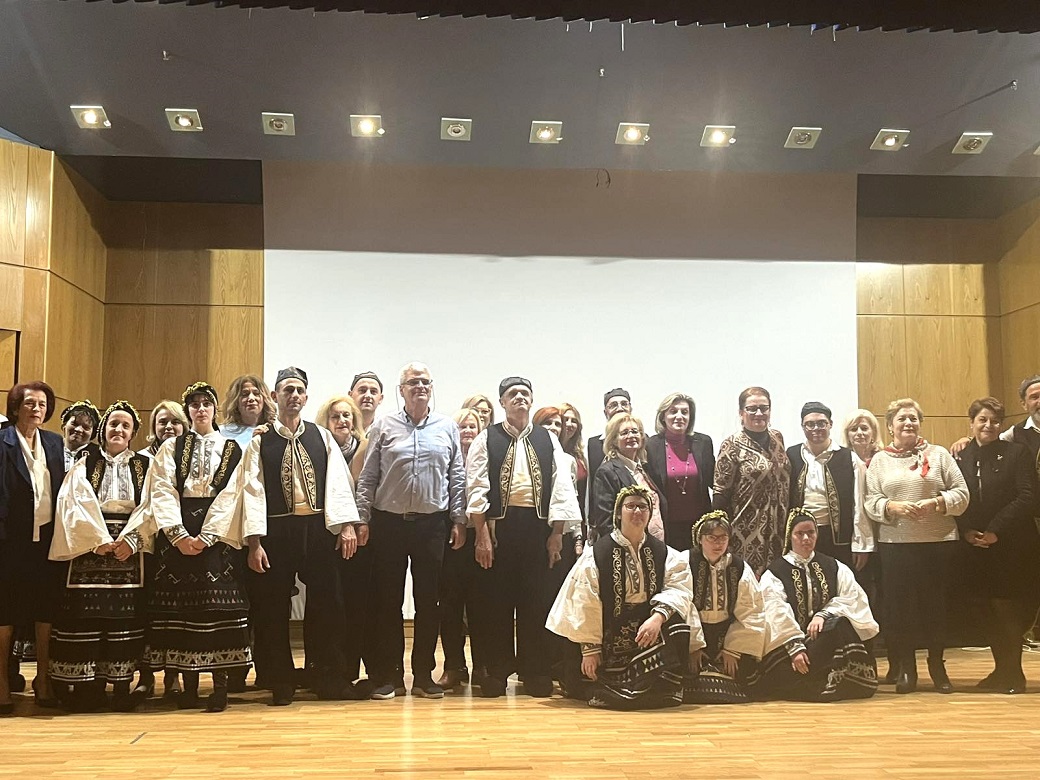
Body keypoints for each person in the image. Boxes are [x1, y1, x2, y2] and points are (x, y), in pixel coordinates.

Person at [121, 382, 251, 712]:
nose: (201, 408)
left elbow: (233, 494)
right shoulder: (171, 447)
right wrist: (177, 534)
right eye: (194, 404)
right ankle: (188, 686)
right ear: (188, 410)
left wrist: (208, 535)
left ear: (215, 408)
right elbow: (161, 489)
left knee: (216, 607)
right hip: (177, 531)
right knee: (181, 609)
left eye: (206, 403)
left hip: (217, 533)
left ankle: (219, 687)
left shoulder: (232, 449)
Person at [236, 366, 362, 705]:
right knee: (272, 606)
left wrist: (346, 525)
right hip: (276, 532)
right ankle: (279, 679)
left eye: (299, 390)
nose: (294, 395)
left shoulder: (321, 437)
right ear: (274, 396)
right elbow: (252, 491)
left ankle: (327, 676)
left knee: (328, 603)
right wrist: (254, 542)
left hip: (317, 530)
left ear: (306, 397)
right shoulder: (260, 440)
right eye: (287, 390)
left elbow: (337, 481)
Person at [467, 376, 582, 698]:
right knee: (496, 601)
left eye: (524, 393)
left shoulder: (547, 439)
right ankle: (496, 671)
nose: (519, 398)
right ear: (502, 402)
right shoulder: (487, 438)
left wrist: (557, 534)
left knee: (536, 601)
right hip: (499, 530)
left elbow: (561, 487)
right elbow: (476, 486)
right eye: (512, 394)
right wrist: (481, 535)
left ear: (531, 401)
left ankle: (536, 671)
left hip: (538, 528)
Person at [356, 362, 465, 700]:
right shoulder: (384, 426)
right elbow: (369, 476)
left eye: (425, 382)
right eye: (413, 382)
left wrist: (459, 520)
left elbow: (457, 476)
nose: (420, 387)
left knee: (428, 603)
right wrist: (362, 519)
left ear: (431, 388)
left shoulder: (447, 427)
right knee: (387, 602)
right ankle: (390, 675)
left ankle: (423, 675)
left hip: (432, 526)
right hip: (388, 524)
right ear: (401, 390)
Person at [546, 485, 698, 709]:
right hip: (609, 632)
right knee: (589, 683)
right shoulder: (597, 554)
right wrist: (590, 649)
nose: (637, 512)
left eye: (643, 507)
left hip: (646, 629)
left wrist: (657, 618)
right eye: (631, 506)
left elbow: (679, 588)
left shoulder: (665, 553)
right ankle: (620, 686)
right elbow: (584, 601)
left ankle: (656, 687)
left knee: (677, 625)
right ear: (618, 513)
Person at [48, 401, 151, 712]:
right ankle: (87, 689)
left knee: (123, 619)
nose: (118, 429)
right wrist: (97, 540)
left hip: (128, 548)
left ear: (133, 433)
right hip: (90, 547)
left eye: (125, 425)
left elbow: (152, 504)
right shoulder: (85, 461)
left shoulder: (145, 466)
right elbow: (72, 500)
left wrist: (131, 540)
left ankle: (120, 687)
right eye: (113, 424)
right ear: (103, 429)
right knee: (86, 617)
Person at [864, 398, 969, 694]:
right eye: (902, 419)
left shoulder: (939, 455)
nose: (908, 423)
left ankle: (937, 667)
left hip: (938, 544)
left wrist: (937, 502)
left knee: (936, 608)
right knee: (901, 610)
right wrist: (892, 506)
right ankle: (907, 669)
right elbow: (870, 501)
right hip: (896, 546)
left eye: (913, 418)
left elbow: (962, 494)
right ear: (890, 426)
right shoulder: (880, 461)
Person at [954, 397, 1040, 694]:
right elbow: (957, 498)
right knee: (986, 609)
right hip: (975, 546)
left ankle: (1014, 674)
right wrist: (967, 531)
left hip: (1012, 545)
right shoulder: (960, 457)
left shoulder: (1017, 453)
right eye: (982, 420)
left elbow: (1027, 496)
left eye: (994, 421)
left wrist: (995, 530)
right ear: (972, 423)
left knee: (1008, 609)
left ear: (1000, 425)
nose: (988, 425)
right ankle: (1000, 670)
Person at [750, 508, 879, 702]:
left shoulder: (834, 566)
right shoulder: (776, 572)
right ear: (790, 536)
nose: (806, 539)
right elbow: (775, 612)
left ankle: (837, 676)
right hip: (788, 648)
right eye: (799, 533)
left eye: (810, 533)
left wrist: (824, 615)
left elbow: (853, 598)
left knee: (840, 623)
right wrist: (795, 647)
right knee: (786, 678)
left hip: (822, 643)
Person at [0, 382, 66, 713]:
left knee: (46, 610)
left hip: (47, 542)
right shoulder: (2, 441)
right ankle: (1, 682)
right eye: (29, 403)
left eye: (42, 404)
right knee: (6, 612)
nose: (36, 409)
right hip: (10, 542)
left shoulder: (54, 442)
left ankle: (43, 679)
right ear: (16, 407)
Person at [683, 510, 765, 704]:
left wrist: (733, 649)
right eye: (711, 538)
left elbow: (751, 609)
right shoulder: (685, 562)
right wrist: (693, 646)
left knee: (743, 675)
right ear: (700, 539)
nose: (718, 543)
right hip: (694, 631)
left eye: (723, 538)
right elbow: (683, 605)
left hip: (726, 633)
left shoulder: (739, 567)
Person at [712, 386, 790, 576]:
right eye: (752, 409)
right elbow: (720, 494)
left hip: (779, 531)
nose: (759, 413)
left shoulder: (778, 439)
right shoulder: (731, 445)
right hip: (745, 534)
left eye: (764, 408)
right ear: (741, 413)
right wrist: (720, 536)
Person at [787, 401, 873, 570]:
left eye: (821, 423)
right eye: (810, 424)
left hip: (837, 539)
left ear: (830, 424)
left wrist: (861, 544)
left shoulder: (849, 458)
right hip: (801, 535)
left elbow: (859, 504)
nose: (816, 428)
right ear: (802, 427)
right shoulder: (791, 455)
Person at [437, 408, 486, 691]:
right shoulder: (445, 457)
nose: (467, 431)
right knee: (450, 605)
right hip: (450, 538)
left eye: (472, 427)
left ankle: (481, 666)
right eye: (462, 427)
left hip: (481, 538)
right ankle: (454, 666)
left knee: (481, 605)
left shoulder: (487, 457)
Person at [645, 392, 714, 551]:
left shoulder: (703, 443)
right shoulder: (651, 446)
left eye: (684, 412)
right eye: (673, 411)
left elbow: (714, 480)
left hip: (700, 524)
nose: (679, 416)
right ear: (663, 416)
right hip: (667, 525)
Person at [590, 413, 665, 543]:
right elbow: (606, 522)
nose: (631, 436)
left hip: (655, 545)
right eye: (624, 433)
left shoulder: (645, 469)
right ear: (614, 440)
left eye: (635, 431)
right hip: (628, 547)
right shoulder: (607, 472)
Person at [315, 395, 368, 483]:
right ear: (326, 423)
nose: (342, 420)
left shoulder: (366, 448)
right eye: (335, 416)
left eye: (346, 415)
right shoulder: (319, 451)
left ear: (353, 421)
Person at [587, 388, 632, 488]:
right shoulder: (593, 444)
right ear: (605, 412)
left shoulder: (643, 440)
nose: (620, 409)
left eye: (624, 404)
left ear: (630, 409)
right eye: (613, 405)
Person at [220, 374, 277, 448]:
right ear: (235, 401)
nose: (251, 398)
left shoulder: (276, 430)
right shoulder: (222, 432)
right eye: (245, 394)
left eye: (256, 393)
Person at [557, 403, 588, 526]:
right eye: (565, 420)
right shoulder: (548, 453)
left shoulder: (580, 458)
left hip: (578, 521)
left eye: (574, 421)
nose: (569, 424)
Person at [60, 400, 101, 471]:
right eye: (74, 424)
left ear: (92, 433)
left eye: (86, 427)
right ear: (64, 425)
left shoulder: (98, 455)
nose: (78, 429)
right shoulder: (51, 449)